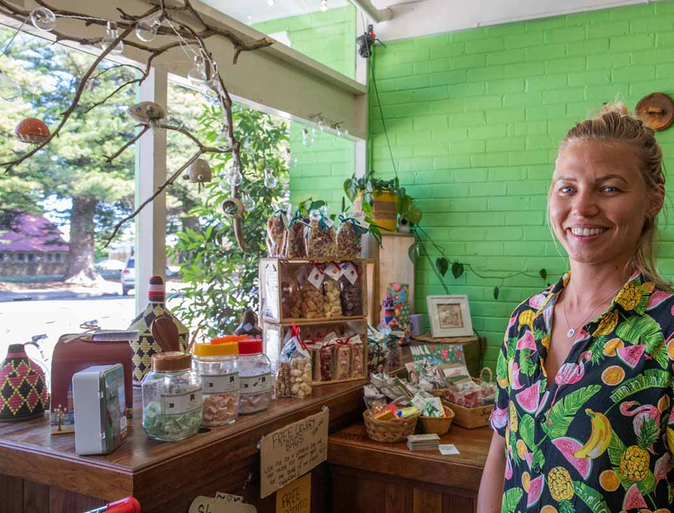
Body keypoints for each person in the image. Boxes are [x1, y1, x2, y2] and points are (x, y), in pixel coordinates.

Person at [477, 104, 674, 512]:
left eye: (609, 189)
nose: (582, 207)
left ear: (653, 199)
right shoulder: (525, 322)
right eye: (567, 188)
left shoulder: (666, 329)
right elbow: (500, 456)